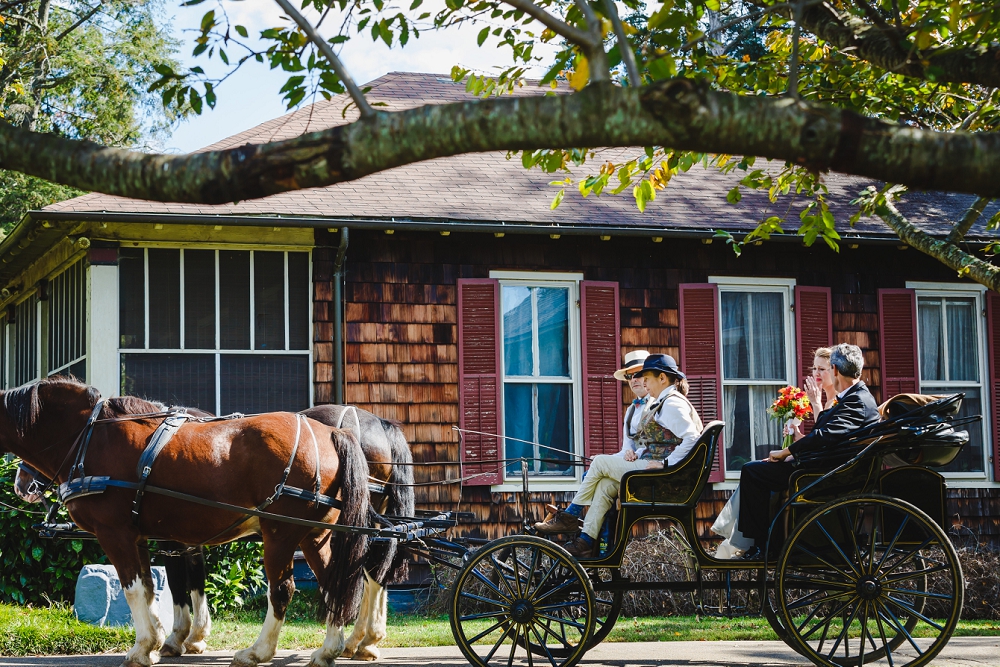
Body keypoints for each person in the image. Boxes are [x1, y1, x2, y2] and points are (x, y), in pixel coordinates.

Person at [534, 354, 703, 557]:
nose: (642, 383)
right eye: (633, 377)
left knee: (599, 462)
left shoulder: (672, 403)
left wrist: (666, 464)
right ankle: (585, 541)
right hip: (653, 469)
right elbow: (658, 442)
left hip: (664, 478)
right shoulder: (659, 403)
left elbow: (693, 438)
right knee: (605, 485)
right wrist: (637, 453)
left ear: (662, 378)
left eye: (645, 378)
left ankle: (570, 515)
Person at [736, 343, 879, 560]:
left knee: (753, 472)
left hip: (827, 473)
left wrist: (787, 453)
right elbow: (826, 435)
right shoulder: (853, 397)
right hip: (823, 465)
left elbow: (826, 436)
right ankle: (769, 544)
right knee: (760, 469)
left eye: (827, 368)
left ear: (836, 371)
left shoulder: (857, 400)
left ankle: (762, 547)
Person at [711, 347, 835, 559]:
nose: (816, 373)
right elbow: (818, 441)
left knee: (752, 471)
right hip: (807, 462)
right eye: (814, 368)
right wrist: (794, 444)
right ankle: (756, 541)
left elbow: (824, 442)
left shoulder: (835, 402)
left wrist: (815, 404)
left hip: (818, 472)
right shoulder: (826, 400)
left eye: (822, 369)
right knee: (755, 468)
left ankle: (758, 544)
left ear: (835, 371)